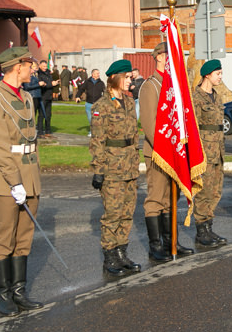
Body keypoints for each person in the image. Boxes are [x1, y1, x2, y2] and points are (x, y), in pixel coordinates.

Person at [0, 46, 43, 317]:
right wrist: (14, 182)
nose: (33, 69)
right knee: (4, 237)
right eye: (29, 65)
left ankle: (19, 292)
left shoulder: (26, 97)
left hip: (30, 175)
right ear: (17, 67)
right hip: (7, 179)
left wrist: (28, 181)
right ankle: (3, 295)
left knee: (24, 237)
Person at [139, 42, 194, 261]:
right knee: (156, 199)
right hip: (158, 153)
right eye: (170, 56)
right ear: (160, 57)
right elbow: (149, 123)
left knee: (171, 199)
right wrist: (165, 151)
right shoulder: (150, 86)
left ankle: (172, 241)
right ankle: (155, 246)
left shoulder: (175, 86)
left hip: (175, 153)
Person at [89, 59, 142, 277]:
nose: (131, 80)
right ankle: (110, 256)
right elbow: (98, 141)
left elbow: (134, 135)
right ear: (115, 78)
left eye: (131, 76)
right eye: (128, 77)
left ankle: (122, 253)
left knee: (127, 212)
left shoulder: (129, 103)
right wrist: (98, 170)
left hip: (129, 166)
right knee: (113, 213)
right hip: (112, 168)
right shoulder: (102, 106)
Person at [192, 59, 228, 250]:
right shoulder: (196, 97)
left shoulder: (217, 96)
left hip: (218, 151)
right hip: (204, 151)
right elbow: (193, 127)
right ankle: (201, 231)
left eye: (221, 73)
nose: (220, 77)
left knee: (215, 191)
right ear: (207, 75)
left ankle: (209, 226)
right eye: (218, 74)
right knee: (203, 192)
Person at [76, 69, 106, 136]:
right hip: (88, 104)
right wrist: (77, 96)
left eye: (99, 73)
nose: (98, 74)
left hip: (97, 105)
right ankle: (92, 131)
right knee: (90, 119)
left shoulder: (101, 83)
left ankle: (94, 132)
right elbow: (81, 89)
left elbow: (105, 92)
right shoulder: (87, 82)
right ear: (93, 74)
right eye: (97, 73)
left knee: (95, 118)